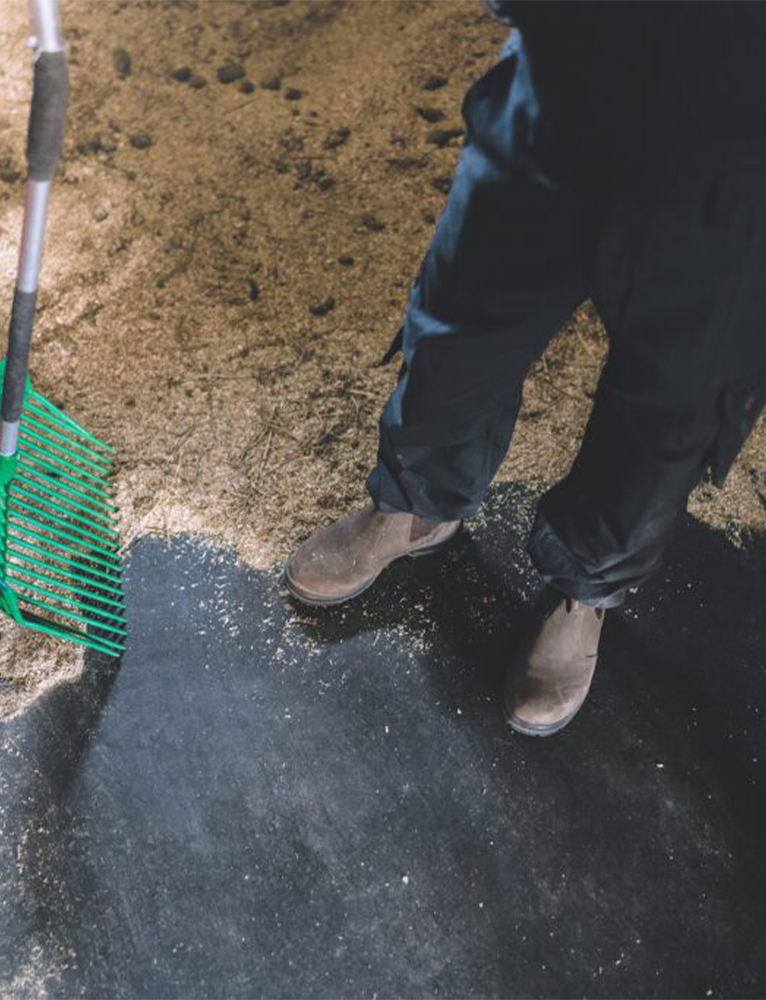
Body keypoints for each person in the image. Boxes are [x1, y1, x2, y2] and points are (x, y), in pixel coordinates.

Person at [283, 2, 766, 736]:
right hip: (576, 63)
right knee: (460, 317)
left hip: (742, 151)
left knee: (673, 405)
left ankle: (585, 585)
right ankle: (417, 505)